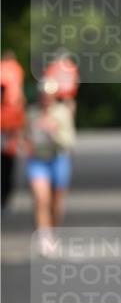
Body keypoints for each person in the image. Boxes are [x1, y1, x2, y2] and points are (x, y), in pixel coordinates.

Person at [25, 77, 76, 255]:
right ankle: (44, 238)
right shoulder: (31, 113)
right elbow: (24, 138)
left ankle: (52, 233)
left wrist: (53, 131)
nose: (45, 98)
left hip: (57, 159)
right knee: (41, 199)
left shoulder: (62, 113)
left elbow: (69, 141)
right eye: (42, 95)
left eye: (48, 95)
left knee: (55, 202)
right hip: (37, 160)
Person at [0, 51, 26, 210]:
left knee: (6, 163)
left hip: (7, 123)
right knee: (8, 163)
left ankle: (5, 195)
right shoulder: (16, 70)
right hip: (10, 123)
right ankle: (5, 195)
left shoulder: (6, 69)